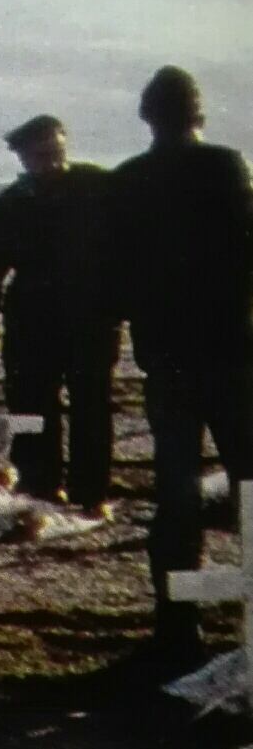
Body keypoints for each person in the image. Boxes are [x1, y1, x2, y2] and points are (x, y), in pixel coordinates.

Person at [109, 66, 253, 670]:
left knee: (176, 494)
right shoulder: (226, 166)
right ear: (199, 115)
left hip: (166, 357)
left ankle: (176, 628)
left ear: (147, 117)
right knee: (249, 480)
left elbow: (112, 275)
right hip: (232, 353)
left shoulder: (129, 181)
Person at [0, 115, 118, 511]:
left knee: (92, 405)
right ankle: (39, 489)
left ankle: (91, 493)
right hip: (31, 319)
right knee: (31, 408)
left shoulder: (99, 188)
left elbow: (130, 248)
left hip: (91, 316)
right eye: (39, 155)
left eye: (55, 152)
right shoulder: (9, 205)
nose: (50, 162)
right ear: (22, 157)